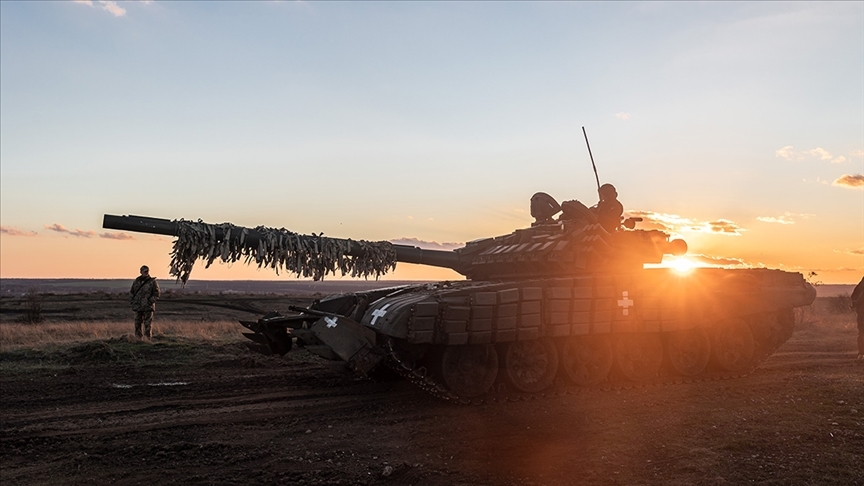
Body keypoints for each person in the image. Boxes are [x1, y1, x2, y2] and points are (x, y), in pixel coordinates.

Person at [130, 265, 160, 340]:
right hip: (138, 306)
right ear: (141, 272)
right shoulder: (136, 281)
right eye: (144, 271)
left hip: (148, 307)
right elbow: (132, 292)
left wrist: (150, 301)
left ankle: (147, 339)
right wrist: (132, 301)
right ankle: (138, 339)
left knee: (147, 324)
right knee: (137, 323)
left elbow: (157, 293)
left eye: (147, 271)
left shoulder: (152, 282)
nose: (146, 273)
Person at [851, 276, 864, 360]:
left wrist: (856, 304)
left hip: (861, 311)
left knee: (862, 331)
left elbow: (854, 295)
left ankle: (862, 353)